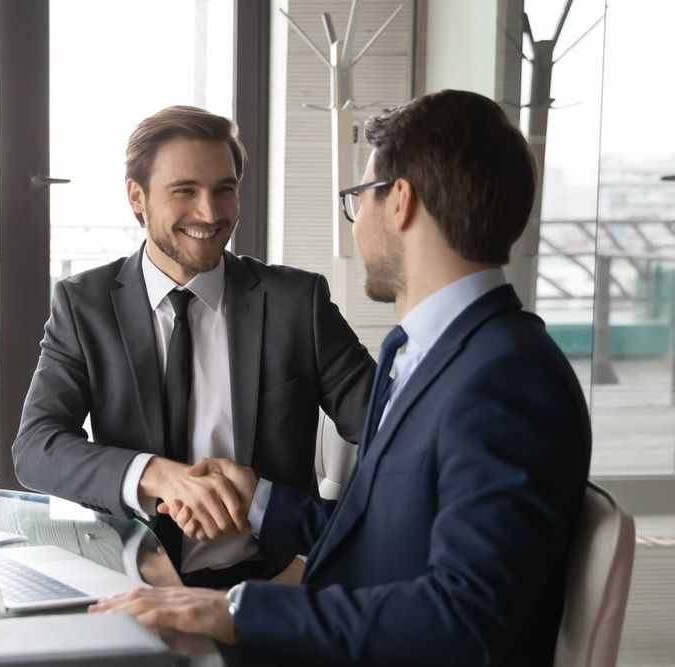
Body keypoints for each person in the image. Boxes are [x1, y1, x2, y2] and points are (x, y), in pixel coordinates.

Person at [89, 90, 592, 666]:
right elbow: (381, 537)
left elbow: (467, 617)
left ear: (399, 202)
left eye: (360, 198)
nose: (356, 226)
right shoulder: (431, 356)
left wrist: (235, 612)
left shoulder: (506, 379)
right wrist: (259, 503)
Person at [13, 106, 376, 589]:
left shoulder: (297, 303)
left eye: (224, 190)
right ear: (136, 197)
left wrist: (316, 555)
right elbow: (36, 447)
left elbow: (395, 430)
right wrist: (155, 475)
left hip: (271, 582)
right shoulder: (85, 305)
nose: (209, 213)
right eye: (185, 191)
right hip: (138, 579)